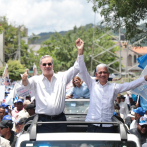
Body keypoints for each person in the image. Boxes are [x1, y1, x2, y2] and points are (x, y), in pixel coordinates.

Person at [77, 38, 147, 133]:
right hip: (92, 124)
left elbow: (130, 85)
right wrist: (80, 51)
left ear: (108, 74)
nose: (102, 74)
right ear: (96, 75)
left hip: (108, 126)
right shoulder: (92, 84)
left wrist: (144, 78)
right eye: (100, 72)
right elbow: (82, 69)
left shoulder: (114, 87)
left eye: (104, 72)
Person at [22, 51, 80, 132]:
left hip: (60, 120)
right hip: (43, 121)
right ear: (40, 66)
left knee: (61, 144)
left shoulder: (62, 77)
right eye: (44, 64)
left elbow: (76, 68)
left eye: (49, 64)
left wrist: (80, 51)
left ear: (52, 65)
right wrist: (24, 79)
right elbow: (26, 85)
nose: (47, 66)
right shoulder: (36, 80)